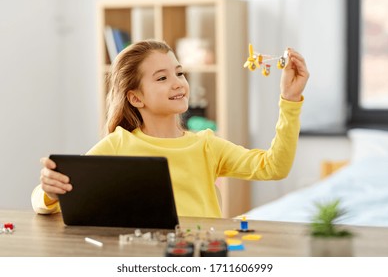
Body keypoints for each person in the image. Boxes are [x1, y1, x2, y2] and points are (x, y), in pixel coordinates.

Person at [31, 39, 309, 218]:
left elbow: (274, 167)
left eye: (179, 73)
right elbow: (44, 199)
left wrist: (290, 100)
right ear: (135, 97)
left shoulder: (207, 145)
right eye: (162, 78)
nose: (178, 82)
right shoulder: (118, 145)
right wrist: (50, 192)